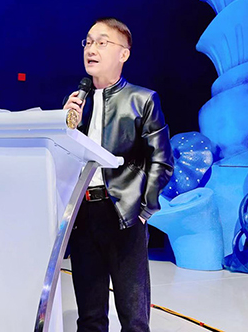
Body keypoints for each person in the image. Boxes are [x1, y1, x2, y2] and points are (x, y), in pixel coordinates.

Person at [63, 17, 174, 332]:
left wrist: (143, 209)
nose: (91, 49)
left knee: (133, 316)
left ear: (123, 53)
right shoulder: (76, 103)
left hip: (124, 213)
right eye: (88, 42)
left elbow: (162, 161)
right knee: (89, 316)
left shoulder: (142, 99)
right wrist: (64, 123)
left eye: (101, 42)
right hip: (82, 213)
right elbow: (65, 158)